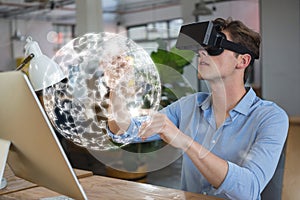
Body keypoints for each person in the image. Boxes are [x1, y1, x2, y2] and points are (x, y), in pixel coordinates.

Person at [107, 17, 289, 199]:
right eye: (201, 48)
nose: (202, 53)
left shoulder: (271, 118)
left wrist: (184, 140)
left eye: (214, 47)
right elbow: (123, 131)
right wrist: (117, 88)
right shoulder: (189, 106)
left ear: (242, 61)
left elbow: (248, 189)